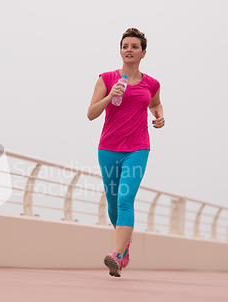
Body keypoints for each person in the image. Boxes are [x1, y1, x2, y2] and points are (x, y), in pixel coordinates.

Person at [87, 28, 165, 277]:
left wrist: (160, 116)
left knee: (125, 199)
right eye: (125, 46)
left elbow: (155, 103)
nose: (129, 50)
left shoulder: (151, 83)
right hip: (108, 148)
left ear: (143, 52)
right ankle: (125, 245)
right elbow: (91, 114)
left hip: (138, 148)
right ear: (120, 51)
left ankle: (117, 256)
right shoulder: (107, 78)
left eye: (134, 46)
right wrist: (110, 96)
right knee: (112, 207)